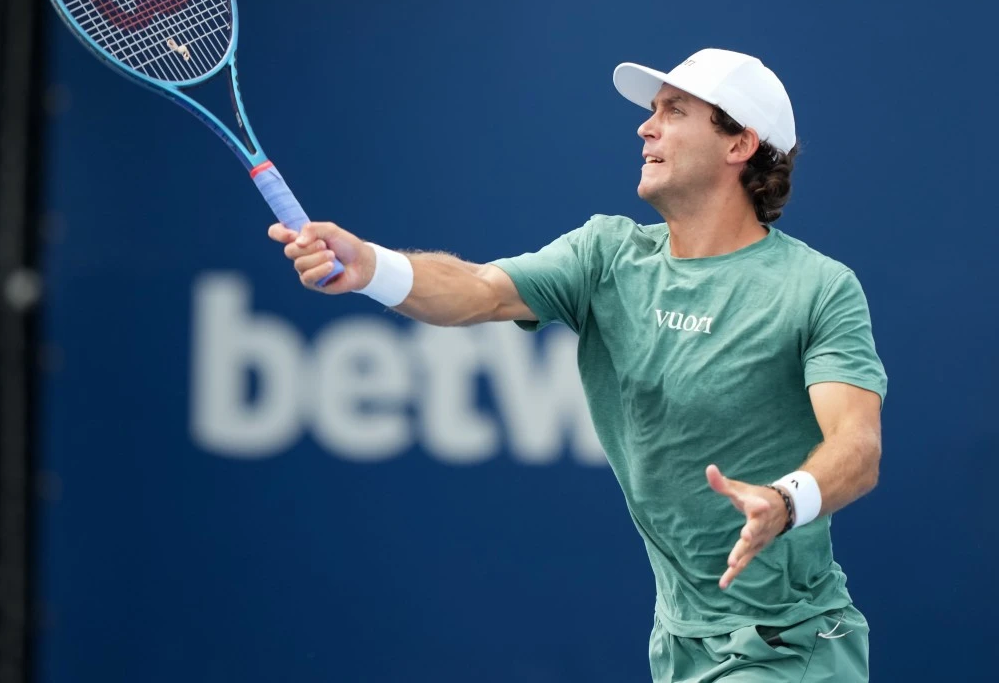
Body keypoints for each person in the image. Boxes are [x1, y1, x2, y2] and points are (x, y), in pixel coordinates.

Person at [268, 48, 886, 682]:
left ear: (740, 145)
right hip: (679, 641)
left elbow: (856, 445)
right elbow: (479, 288)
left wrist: (786, 500)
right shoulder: (606, 254)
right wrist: (372, 266)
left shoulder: (818, 288)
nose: (646, 128)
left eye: (675, 112)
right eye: (653, 111)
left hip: (791, 646)